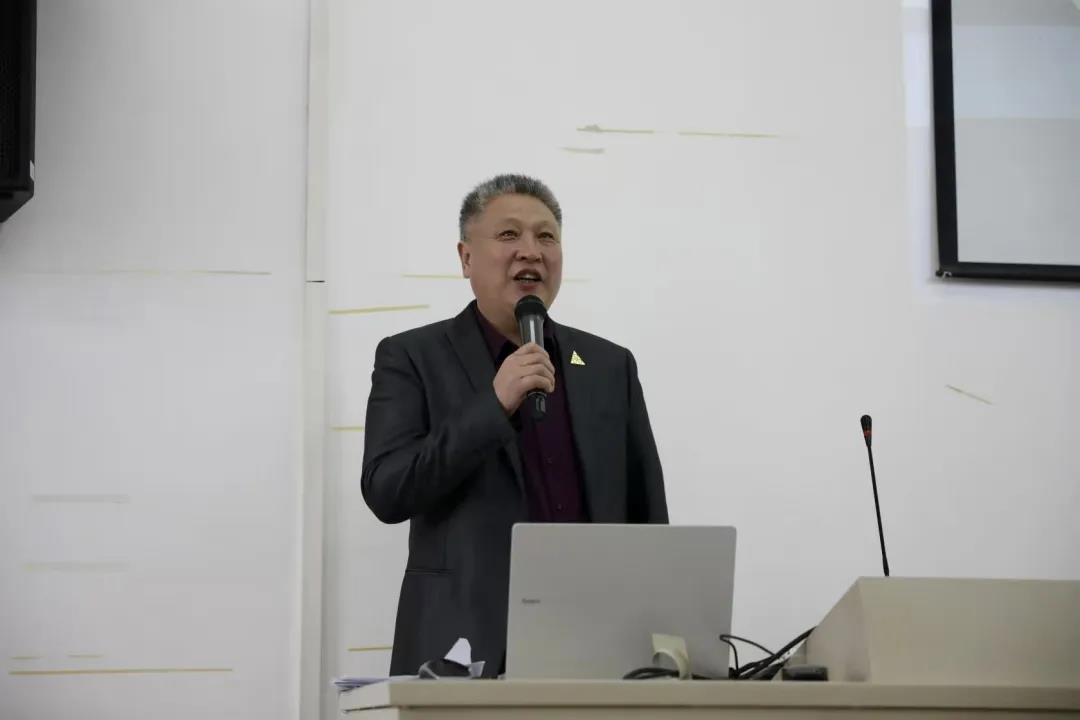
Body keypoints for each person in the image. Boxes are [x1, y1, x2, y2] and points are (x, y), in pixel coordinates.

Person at [361, 174, 668, 676]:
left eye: (546, 236)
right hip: (463, 652)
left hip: (597, 650)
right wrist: (493, 405)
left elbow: (648, 519)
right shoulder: (412, 356)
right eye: (509, 235)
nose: (531, 251)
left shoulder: (610, 366)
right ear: (466, 258)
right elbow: (387, 490)